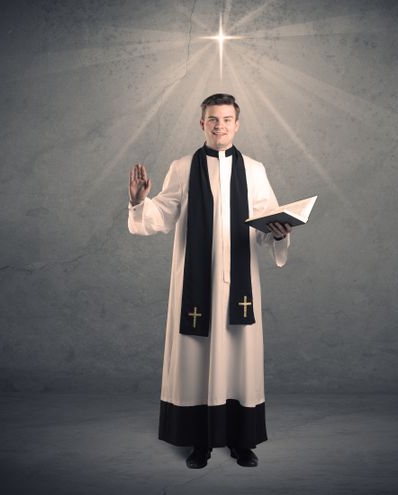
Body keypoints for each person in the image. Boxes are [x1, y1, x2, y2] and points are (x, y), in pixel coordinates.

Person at [127, 93, 291, 469]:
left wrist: (280, 233)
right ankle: (198, 441)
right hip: (195, 287)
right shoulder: (183, 168)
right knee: (195, 360)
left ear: (238, 123)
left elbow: (268, 223)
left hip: (239, 286)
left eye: (227, 119)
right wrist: (139, 203)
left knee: (240, 360)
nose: (220, 125)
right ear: (202, 124)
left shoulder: (255, 170)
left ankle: (241, 440)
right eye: (212, 119)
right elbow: (163, 214)